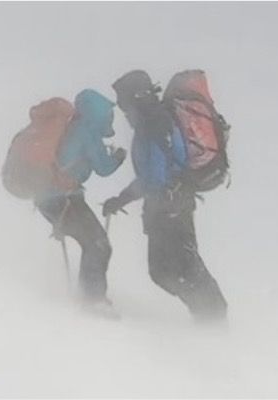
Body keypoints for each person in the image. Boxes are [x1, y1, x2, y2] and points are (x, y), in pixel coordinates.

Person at [102, 71, 227, 322]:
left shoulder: (153, 123)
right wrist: (124, 198)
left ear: (135, 97)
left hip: (171, 208)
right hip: (169, 206)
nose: (121, 106)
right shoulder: (153, 121)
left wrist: (123, 198)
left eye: (123, 99)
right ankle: (208, 315)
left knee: (177, 269)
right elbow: (155, 175)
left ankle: (213, 317)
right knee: (167, 271)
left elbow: (155, 177)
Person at [34, 89, 126, 318]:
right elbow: (104, 168)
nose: (109, 120)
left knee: (93, 242)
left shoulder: (73, 127)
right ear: (97, 114)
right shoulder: (87, 131)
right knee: (97, 243)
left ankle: (90, 296)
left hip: (50, 199)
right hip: (63, 199)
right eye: (107, 115)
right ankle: (92, 299)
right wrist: (119, 157)